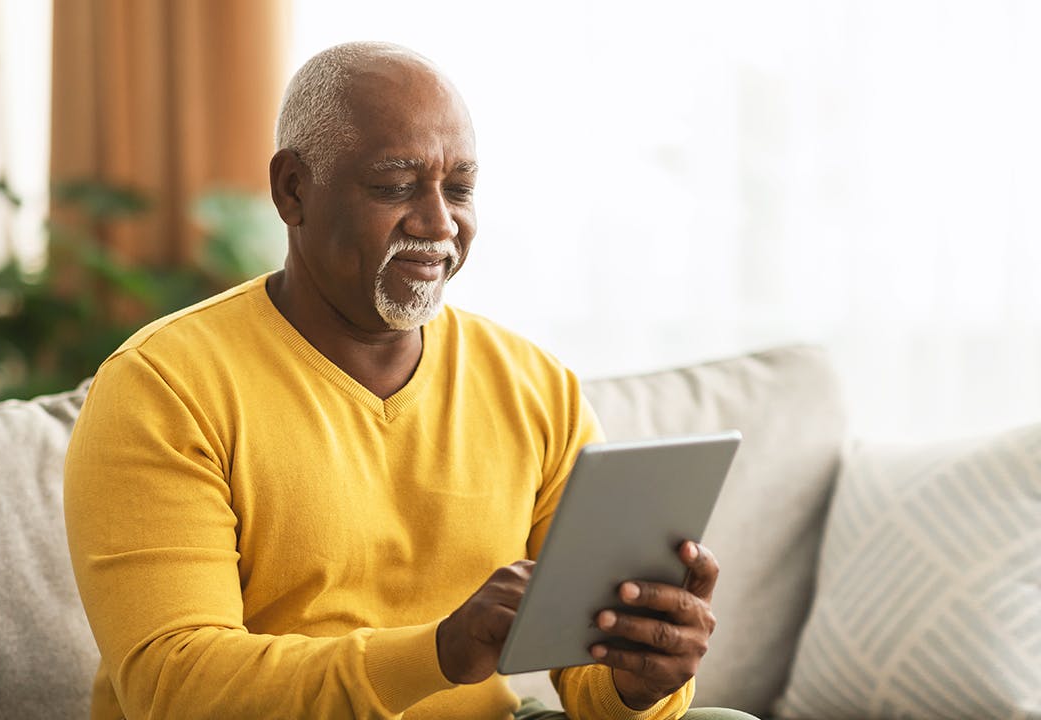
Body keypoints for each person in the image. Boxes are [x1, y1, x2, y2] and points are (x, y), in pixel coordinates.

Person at [64, 41, 756, 720]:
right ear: (293, 189)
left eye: (459, 188)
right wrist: (438, 653)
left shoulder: (536, 386)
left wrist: (640, 681)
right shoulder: (163, 386)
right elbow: (173, 688)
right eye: (395, 186)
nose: (439, 224)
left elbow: (591, 689)